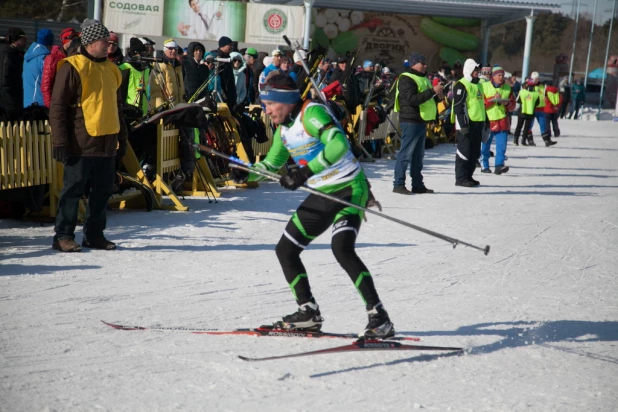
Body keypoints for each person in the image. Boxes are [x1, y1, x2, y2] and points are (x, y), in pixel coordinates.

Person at [233, 74, 394, 338]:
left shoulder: (312, 113)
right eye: (264, 105)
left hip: (349, 188)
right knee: (286, 250)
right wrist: (247, 173)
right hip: (322, 192)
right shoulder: (283, 129)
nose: (267, 110)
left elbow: (339, 144)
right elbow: (272, 164)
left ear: (285, 101)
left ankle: (380, 318)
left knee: (341, 248)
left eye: (270, 104)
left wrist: (305, 173)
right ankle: (308, 312)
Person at [49, 19, 127, 252]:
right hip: (80, 142)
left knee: (102, 192)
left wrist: (122, 139)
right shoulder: (72, 67)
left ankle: (94, 235)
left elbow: (117, 108)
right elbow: (58, 107)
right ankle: (63, 236)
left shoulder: (113, 69)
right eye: (105, 42)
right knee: (73, 191)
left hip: (107, 142)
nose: (109, 46)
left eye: (111, 42)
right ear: (91, 42)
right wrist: (60, 141)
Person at [392, 52, 441, 194]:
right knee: (405, 154)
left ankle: (417, 184)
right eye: (422, 63)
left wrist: (437, 95)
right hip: (410, 120)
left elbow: (427, 99)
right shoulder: (406, 78)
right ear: (414, 63)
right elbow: (411, 99)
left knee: (418, 156)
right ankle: (399, 184)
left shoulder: (422, 77)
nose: (425, 65)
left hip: (420, 120)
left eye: (425, 63)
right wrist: (432, 91)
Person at [452, 59, 486, 186]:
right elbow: (458, 107)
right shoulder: (461, 85)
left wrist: (485, 120)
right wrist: (463, 124)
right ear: (469, 70)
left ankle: (469, 176)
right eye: (475, 70)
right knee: (464, 151)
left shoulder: (479, 85)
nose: (477, 72)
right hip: (466, 123)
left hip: (478, 122)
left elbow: (481, 104)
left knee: (474, 152)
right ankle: (461, 178)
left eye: (478, 70)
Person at [479, 65, 516, 175]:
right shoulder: (484, 86)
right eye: (498, 75)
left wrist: (507, 103)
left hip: (502, 120)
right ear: (493, 76)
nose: (501, 77)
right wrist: (492, 100)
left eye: (502, 75)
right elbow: (480, 104)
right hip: (488, 121)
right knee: (485, 146)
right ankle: (484, 165)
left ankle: (499, 166)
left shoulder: (508, 88)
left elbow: (513, 105)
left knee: (502, 146)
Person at [41, 28, 80, 109]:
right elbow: (46, 85)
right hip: (58, 102)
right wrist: (50, 106)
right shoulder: (53, 58)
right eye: (74, 39)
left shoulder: (77, 56)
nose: (76, 42)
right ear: (66, 40)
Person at [119, 38, 151, 115]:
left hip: (143, 110)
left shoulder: (146, 69)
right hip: (128, 110)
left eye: (144, 53)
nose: (144, 56)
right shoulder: (123, 68)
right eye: (141, 54)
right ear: (134, 54)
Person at [0, 27, 27, 121]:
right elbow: (4, 83)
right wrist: (11, 107)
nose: (26, 41)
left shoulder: (17, 54)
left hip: (16, 100)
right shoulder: (8, 55)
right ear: (16, 39)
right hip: (9, 106)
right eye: (23, 38)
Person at [149, 39, 185, 108]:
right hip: (166, 108)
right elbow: (156, 90)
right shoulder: (160, 65)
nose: (174, 51)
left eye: (175, 49)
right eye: (170, 48)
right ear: (165, 50)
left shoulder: (178, 66)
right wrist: (161, 108)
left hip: (178, 107)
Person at [23, 28, 54, 108]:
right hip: (41, 104)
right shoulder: (44, 60)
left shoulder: (27, 58)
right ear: (50, 43)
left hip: (28, 103)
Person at [209, 36, 236, 108]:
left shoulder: (228, 58)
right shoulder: (215, 56)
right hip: (219, 92)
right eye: (229, 45)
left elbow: (230, 78)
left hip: (228, 92)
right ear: (222, 45)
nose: (231, 47)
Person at [513, 79, 541, 147]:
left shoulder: (522, 92)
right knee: (527, 127)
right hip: (531, 112)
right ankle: (523, 141)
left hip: (522, 111)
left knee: (519, 126)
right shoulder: (536, 94)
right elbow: (537, 103)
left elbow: (518, 101)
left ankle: (516, 140)